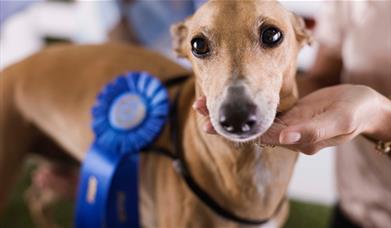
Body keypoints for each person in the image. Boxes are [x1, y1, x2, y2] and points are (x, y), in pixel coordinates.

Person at [192, 1, 391, 227]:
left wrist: (380, 119)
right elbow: (323, 80)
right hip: (357, 207)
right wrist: (263, 97)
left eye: (270, 36)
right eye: (200, 46)